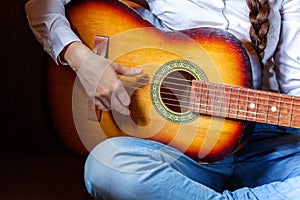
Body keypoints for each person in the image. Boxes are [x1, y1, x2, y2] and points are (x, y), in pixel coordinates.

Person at [25, 0, 300, 199]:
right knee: (106, 167)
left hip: (263, 144)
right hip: (176, 150)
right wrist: (83, 61)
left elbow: (294, 85)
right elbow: (41, 4)